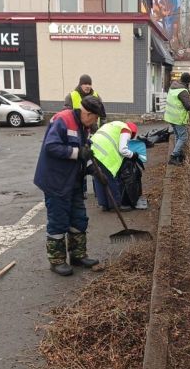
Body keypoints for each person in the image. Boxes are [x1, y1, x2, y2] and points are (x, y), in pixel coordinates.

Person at [33, 96, 103, 276]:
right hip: (56, 180)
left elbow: (85, 152)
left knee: (79, 218)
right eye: (94, 118)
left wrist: (93, 170)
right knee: (58, 220)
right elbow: (51, 146)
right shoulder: (62, 120)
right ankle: (56, 261)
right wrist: (77, 152)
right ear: (87, 113)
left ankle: (78, 255)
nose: (95, 122)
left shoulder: (85, 127)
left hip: (74, 180)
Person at [90, 120, 144, 211]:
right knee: (111, 179)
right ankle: (116, 205)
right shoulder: (126, 130)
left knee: (99, 178)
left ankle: (104, 204)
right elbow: (122, 149)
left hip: (92, 150)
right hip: (104, 154)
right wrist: (133, 155)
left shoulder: (114, 124)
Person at [164, 72, 190, 165]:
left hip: (171, 117)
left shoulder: (174, 87)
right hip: (178, 118)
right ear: (188, 82)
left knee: (178, 136)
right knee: (183, 137)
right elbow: (188, 106)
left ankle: (178, 154)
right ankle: (173, 156)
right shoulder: (183, 91)